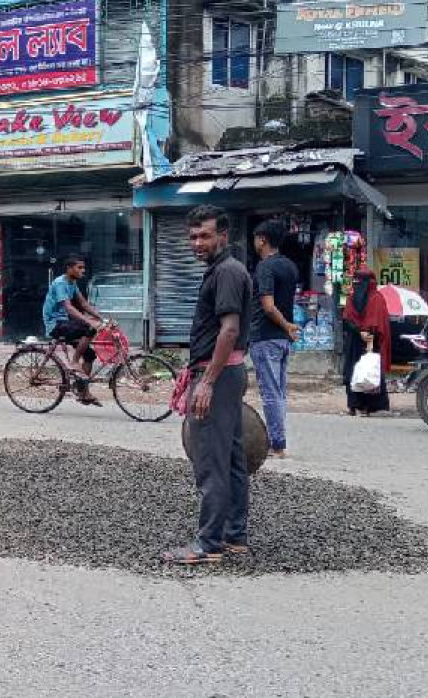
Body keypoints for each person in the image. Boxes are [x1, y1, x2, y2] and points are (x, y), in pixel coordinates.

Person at [164, 205, 252, 565]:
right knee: (231, 459)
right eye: (193, 236)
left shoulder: (228, 272)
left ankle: (208, 544)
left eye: (205, 235)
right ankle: (234, 535)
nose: (197, 243)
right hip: (224, 374)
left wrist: (207, 383)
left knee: (212, 462)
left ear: (223, 236)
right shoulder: (223, 270)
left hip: (217, 375)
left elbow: (229, 329)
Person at [248, 220, 300, 458]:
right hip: (281, 340)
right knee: (278, 391)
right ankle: (278, 439)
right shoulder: (289, 266)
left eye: (256, 237)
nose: (254, 242)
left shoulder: (265, 267)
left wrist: (286, 325)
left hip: (266, 336)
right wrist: (287, 328)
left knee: (270, 392)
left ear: (263, 239)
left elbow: (268, 306)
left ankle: (277, 444)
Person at [41, 255, 104, 405]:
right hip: (54, 324)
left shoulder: (72, 283)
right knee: (89, 328)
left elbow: (83, 304)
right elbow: (69, 308)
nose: (83, 270)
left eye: (83, 267)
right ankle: (74, 362)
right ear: (69, 269)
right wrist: (89, 321)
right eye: (79, 267)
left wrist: (101, 318)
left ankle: (84, 393)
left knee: (89, 355)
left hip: (65, 322)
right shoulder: (60, 283)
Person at [342, 267, 392, 416]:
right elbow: (379, 324)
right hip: (367, 342)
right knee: (365, 372)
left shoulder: (369, 299)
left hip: (361, 342)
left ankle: (357, 406)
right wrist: (365, 333)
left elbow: (347, 321)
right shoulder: (376, 298)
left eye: (360, 282)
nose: (358, 286)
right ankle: (368, 406)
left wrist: (359, 332)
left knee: (361, 372)